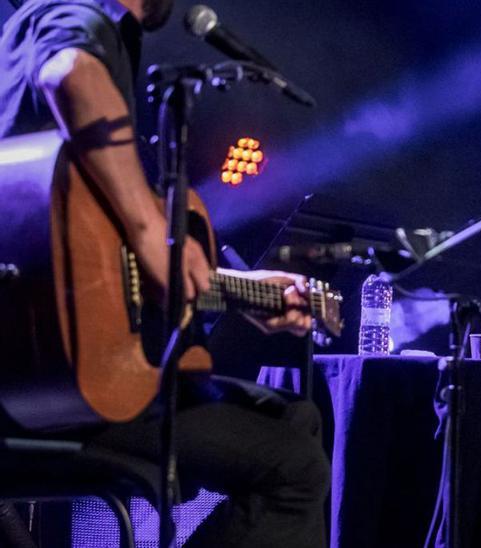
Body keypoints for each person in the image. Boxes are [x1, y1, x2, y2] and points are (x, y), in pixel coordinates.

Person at [0, 0, 329, 546]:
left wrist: (239, 291)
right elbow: (70, 71)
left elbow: (97, 260)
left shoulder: (38, 27)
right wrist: (153, 233)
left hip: (48, 383)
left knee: (297, 421)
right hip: (52, 393)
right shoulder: (74, 16)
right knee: (295, 471)